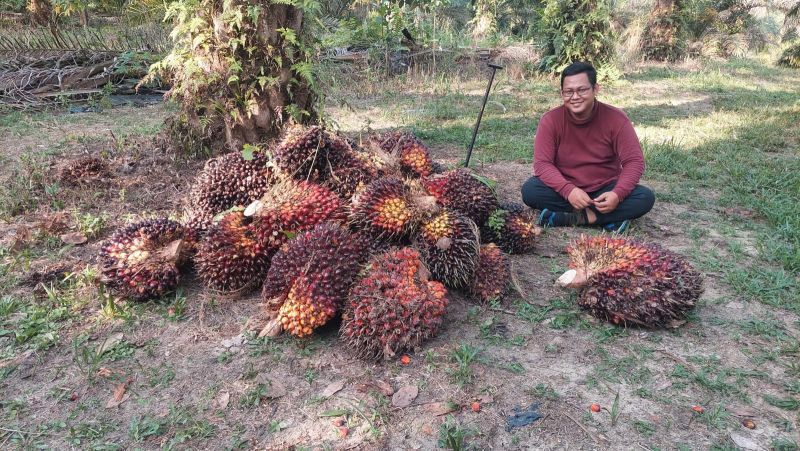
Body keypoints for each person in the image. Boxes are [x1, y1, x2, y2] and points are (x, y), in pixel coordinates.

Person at [521, 61, 655, 233]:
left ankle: (574, 218)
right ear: (562, 93)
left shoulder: (616, 119)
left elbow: (634, 162)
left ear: (595, 89)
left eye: (582, 90)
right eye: (568, 92)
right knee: (531, 190)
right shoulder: (550, 120)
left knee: (644, 197)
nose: (575, 97)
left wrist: (617, 194)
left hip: (605, 189)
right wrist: (569, 191)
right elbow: (542, 164)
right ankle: (607, 219)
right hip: (567, 189)